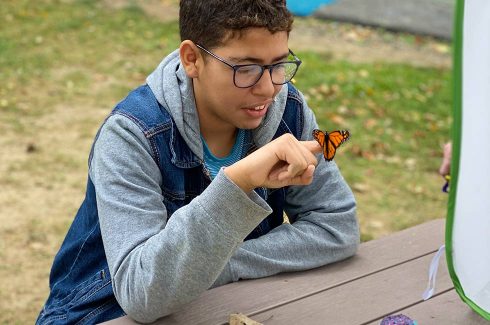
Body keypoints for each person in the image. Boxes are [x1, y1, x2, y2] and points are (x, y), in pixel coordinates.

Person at [36, 1, 359, 324]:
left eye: (278, 64)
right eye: (244, 69)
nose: (268, 88)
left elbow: (336, 226)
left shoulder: (288, 111)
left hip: (223, 304)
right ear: (192, 59)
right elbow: (141, 295)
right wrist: (237, 184)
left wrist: (226, 263)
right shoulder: (132, 135)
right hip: (100, 313)